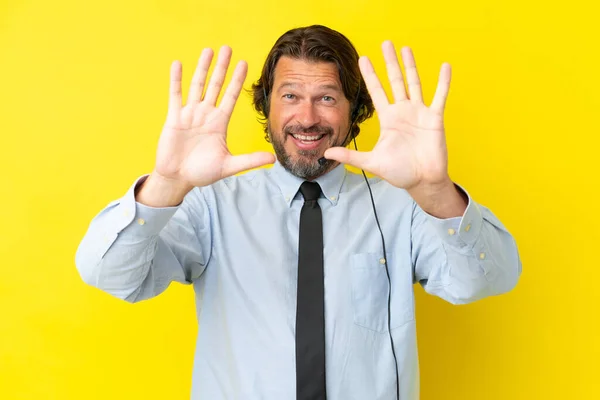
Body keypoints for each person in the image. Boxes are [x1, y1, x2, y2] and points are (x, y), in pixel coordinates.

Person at [75, 24, 521, 400]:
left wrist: (436, 190)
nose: (307, 117)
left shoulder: (404, 206)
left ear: (355, 110)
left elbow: (486, 279)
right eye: (290, 96)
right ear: (265, 107)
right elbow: (110, 275)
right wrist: (167, 184)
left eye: (327, 97)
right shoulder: (211, 203)